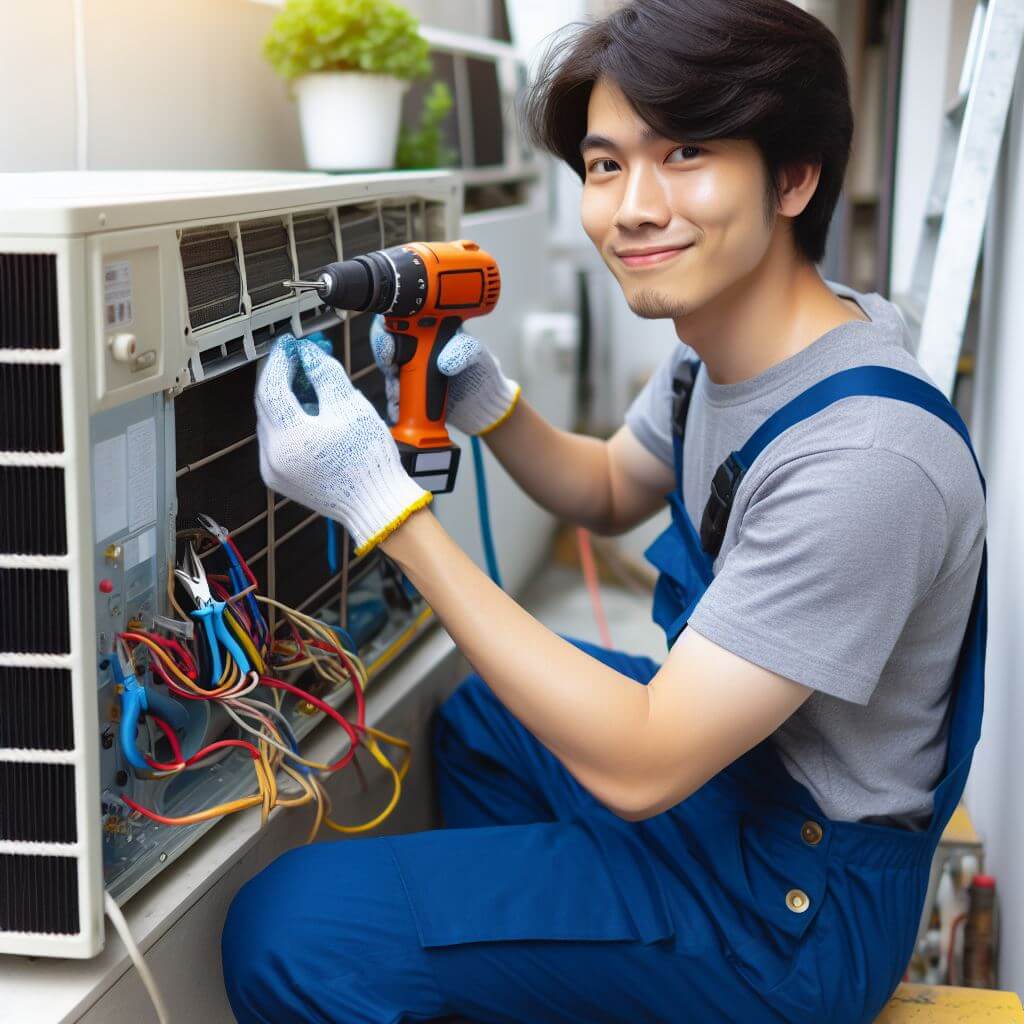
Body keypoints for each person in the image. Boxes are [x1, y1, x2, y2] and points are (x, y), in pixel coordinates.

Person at [221, 1, 987, 1021]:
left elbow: (639, 765)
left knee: (292, 930)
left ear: (794, 175)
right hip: (740, 785)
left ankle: (610, 945)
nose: (632, 205)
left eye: (686, 151)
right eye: (605, 163)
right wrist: (488, 404)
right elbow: (613, 485)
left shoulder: (865, 459)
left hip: (797, 914)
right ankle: (575, 954)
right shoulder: (727, 341)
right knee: (485, 722)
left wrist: (384, 508)